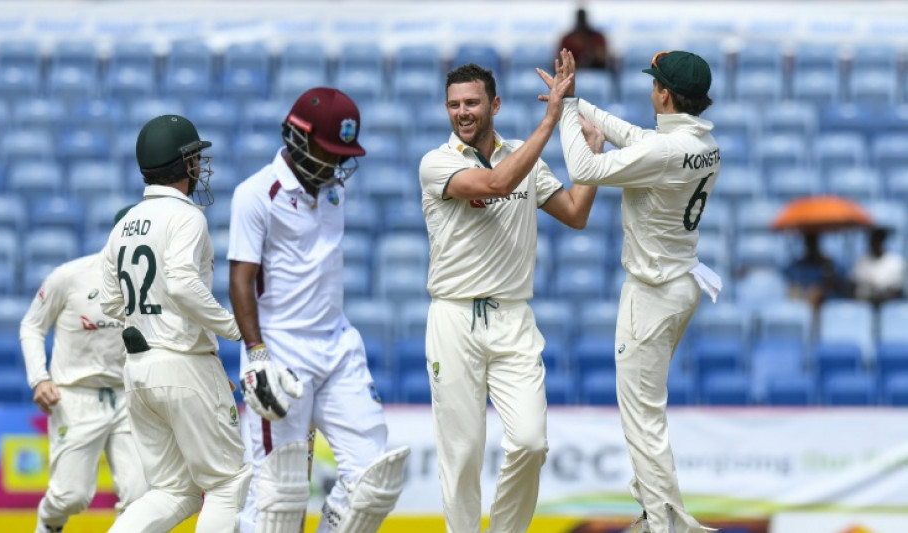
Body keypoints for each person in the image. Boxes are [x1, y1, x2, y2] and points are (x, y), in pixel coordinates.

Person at [418, 52, 598, 533]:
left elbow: (576, 214)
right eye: (454, 104)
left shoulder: (523, 156)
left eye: (472, 103)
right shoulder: (436, 163)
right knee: (461, 454)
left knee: (531, 443)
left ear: (494, 105)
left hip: (513, 318)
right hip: (454, 317)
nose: (462, 113)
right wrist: (551, 120)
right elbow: (497, 183)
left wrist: (591, 159)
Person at [553, 50, 721, 533]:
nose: (651, 91)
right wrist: (576, 101)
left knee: (642, 418)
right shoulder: (703, 144)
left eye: (654, 85)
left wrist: (564, 112)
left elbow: (584, 169)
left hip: (651, 294)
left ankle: (664, 523)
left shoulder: (665, 153)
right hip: (680, 284)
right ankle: (655, 514)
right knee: (645, 414)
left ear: (665, 95)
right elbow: (637, 137)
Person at [228, 86, 408, 533]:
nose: (336, 164)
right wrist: (257, 355)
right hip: (281, 353)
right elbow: (240, 280)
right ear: (298, 137)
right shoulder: (256, 194)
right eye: (329, 151)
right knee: (279, 498)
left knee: (373, 480)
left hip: (338, 347)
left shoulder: (333, 190)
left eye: (343, 154)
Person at [101, 114, 289, 533]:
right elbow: (183, 285)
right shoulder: (187, 217)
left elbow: (111, 301)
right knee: (228, 482)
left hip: (139, 369)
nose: (199, 165)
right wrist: (236, 328)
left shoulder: (125, 223)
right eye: (194, 157)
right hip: (183, 361)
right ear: (180, 163)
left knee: (173, 491)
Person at [20, 206, 147, 533]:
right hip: (76, 396)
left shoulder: (151, 284)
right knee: (71, 497)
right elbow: (32, 326)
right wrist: (39, 379)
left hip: (130, 396)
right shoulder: (69, 276)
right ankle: (49, 522)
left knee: (141, 497)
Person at [785, 232, 846, 311]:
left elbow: (836, 285)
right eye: (808, 240)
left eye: (813, 240)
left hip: (825, 303)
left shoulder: (827, 264)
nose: (811, 244)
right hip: (803, 302)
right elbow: (792, 287)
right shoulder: (797, 266)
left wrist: (822, 289)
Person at [852, 226, 905, 307]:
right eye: (873, 241)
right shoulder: (861, 262)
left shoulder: (896, 262)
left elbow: (898, 291)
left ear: (883, 242)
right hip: (865, 305)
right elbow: (853, 288)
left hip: (889, 306)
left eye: (879, 240)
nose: (876, 244)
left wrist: (882, 298)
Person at [558, 6, 609, 70]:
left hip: (596, 71)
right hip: (573, 72)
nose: (582, 24)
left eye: (583, 21)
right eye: (580, 21)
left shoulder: (597, 37)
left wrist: (591, 54)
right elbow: (560, 61)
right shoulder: (568, 39)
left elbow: (603, 57)